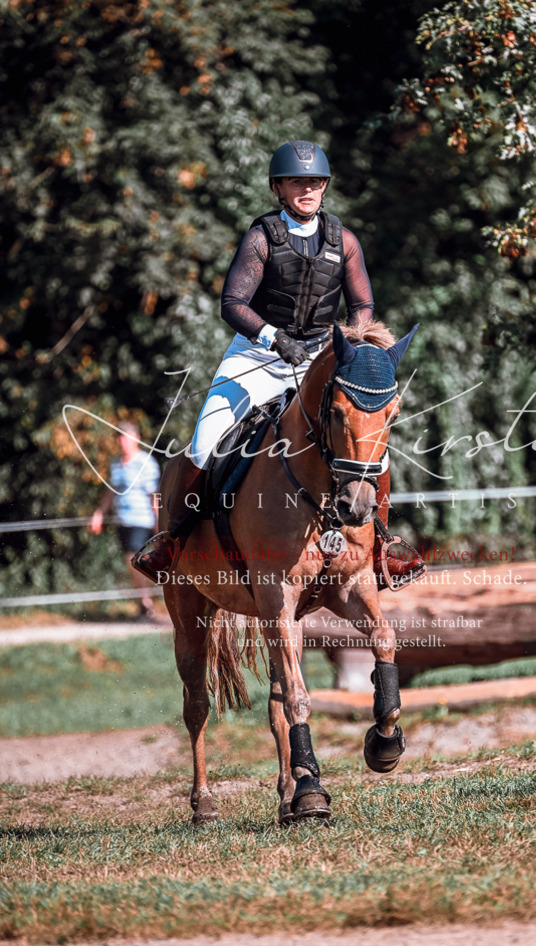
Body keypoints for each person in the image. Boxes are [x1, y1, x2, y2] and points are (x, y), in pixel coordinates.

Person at [134, 140, 425, 587]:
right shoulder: (261, 237)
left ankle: (384, 547)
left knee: (368, 448)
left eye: (314, 182)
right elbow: (232, 303)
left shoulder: (343, 240)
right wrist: (273, 337)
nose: (307, 189)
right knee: (203, 441)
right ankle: (172, 541)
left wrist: (357, 342)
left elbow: (363, 303)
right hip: (256, 354)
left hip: (320, 359)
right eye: (297, 182)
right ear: (279, 188)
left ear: (324, 187)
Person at [90, 421, 161, 619]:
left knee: (134, 558)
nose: (122, 441)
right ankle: (144, 603)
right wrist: (99, 513)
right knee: (132, 562)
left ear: (136, 438)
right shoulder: (115, 463)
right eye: (119, 437)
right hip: (122, 520)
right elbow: (110, 492)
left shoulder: (146, 462)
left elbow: (153, 494)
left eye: (126, 437)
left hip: (142, 520)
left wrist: (158, 522)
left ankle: (146, 604)